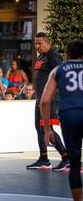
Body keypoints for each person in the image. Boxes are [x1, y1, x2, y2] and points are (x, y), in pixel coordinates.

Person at [40, 39, 83, 201]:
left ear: (66, 54)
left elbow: (44, 101)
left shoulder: (58, 70)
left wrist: (47, 130)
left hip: (68, 114)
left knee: (75, 163)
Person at [26, 32, 69, 171]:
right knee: (39, 129)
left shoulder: (53, 55)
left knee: (47, 129)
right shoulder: (42, 56)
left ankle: (66, 158)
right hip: (40, 99)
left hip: (49, 100)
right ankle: (44, 160)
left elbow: (62, 75)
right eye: (35, 44)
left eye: (40, 44)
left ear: (47, 42)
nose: (37, 46)